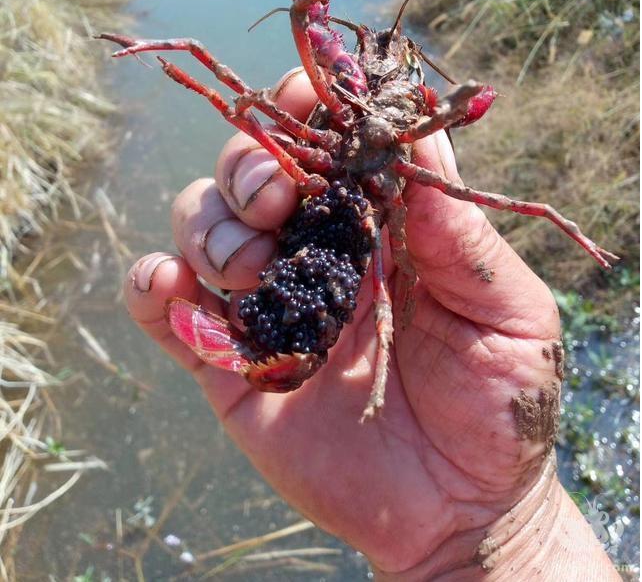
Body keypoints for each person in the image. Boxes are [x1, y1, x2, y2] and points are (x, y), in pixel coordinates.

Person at [125, 68, 621, 581]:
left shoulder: (407, 173)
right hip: (315, 287)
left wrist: (507, 525)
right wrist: (491, 532)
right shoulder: (343, 124)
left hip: (337, 284)